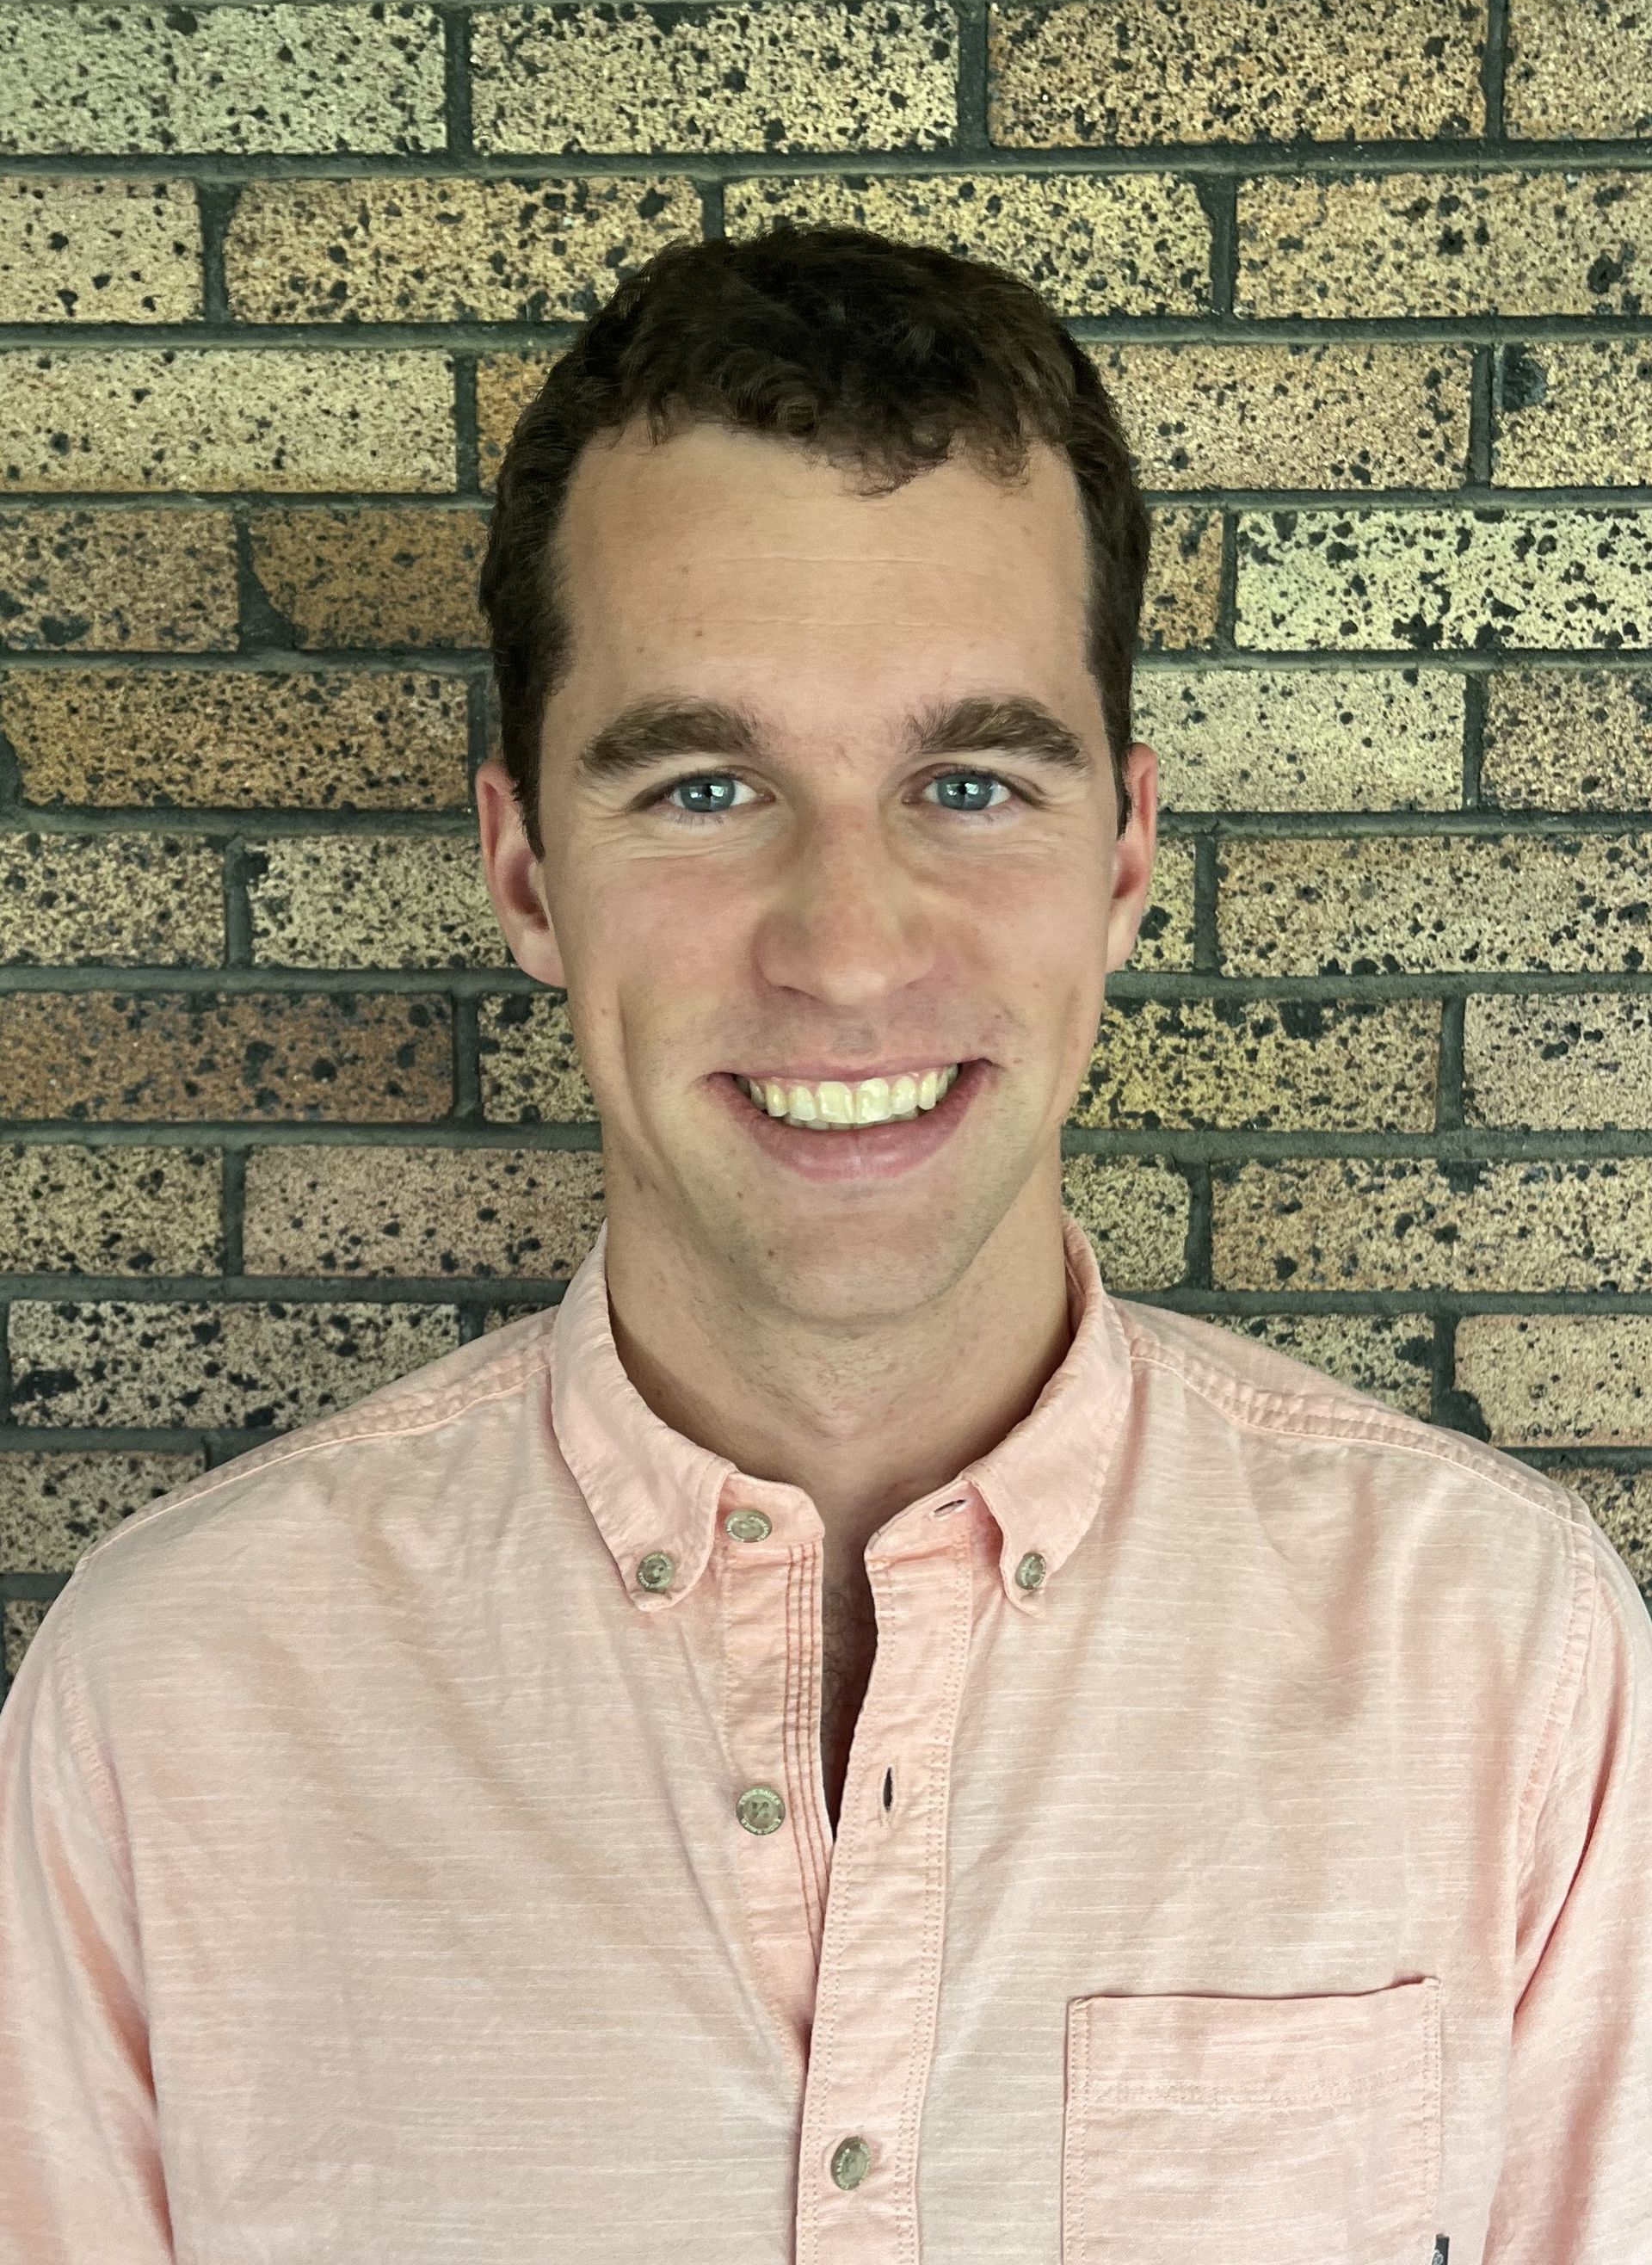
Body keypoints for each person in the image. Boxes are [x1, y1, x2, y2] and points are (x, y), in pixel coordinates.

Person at [2, 227, 1648, 2265]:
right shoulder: (168, 1715)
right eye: (706, 787)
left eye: (968, 783)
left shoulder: (1506, 1669)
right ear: (527, 872)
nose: (850, 951)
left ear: (1125, 858)